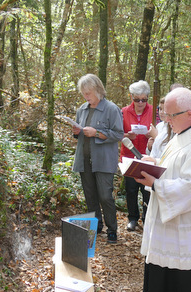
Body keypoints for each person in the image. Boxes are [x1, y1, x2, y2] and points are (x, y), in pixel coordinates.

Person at [135, 87, 191, 292]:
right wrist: (155, 162)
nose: (167, 120)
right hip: (170, 234)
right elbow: (176, 166)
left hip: (187, 240)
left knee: (182, 284)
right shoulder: (182, 133)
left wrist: (155, 184)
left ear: (190, 114)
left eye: (170, 115)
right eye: (164, 114)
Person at [71, 73, 124, 244]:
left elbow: (118, 134)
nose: (86, 97)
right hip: (85, 159)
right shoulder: (82, 109)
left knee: (105, 196)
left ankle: (112, 230)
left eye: (89, 93)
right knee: (90, 196)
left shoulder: (111, 108)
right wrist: (76, 132)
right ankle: (96, 226)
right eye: (84, 94)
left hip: (103, 160)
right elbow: (79, 134)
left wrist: (98, 133)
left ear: (98, 90)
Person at [120, 80, 154, 232]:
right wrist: (128, 135)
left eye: (144, 99)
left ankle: (147, 218)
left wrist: (152, 135)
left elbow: (160, 131)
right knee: (131, 189)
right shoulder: (124, 112)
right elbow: (116, 133)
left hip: (148, 156)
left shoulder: (154, 111)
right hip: (129, 156)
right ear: (131, 97)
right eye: (137, 99)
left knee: (147, 189)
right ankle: (132, 218)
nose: (140, 103)